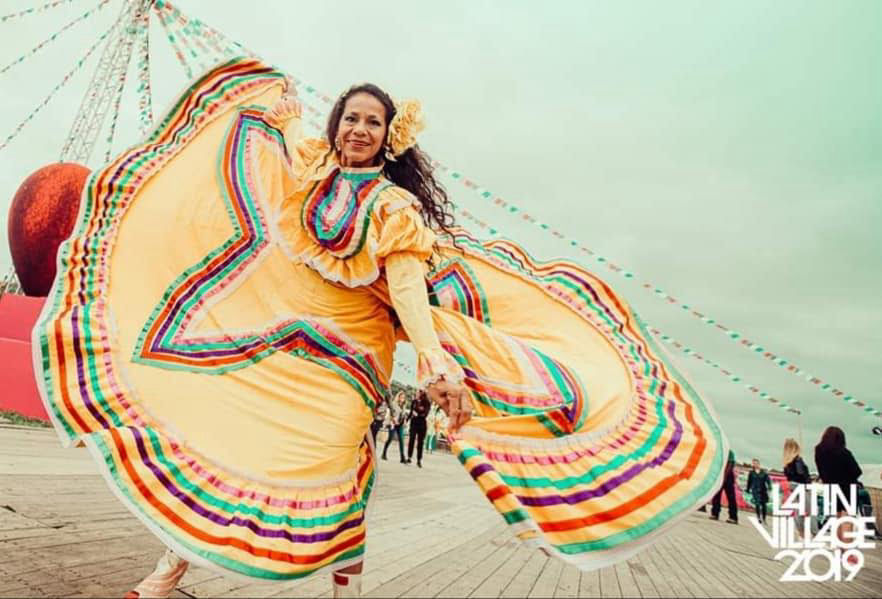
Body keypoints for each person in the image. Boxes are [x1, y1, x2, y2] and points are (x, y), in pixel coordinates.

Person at [34, 58, 727, 598]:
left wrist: (433, 361)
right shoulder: (309, 169)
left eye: (372, 122)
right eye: (351, 117)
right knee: (228, 444)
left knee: (333, 468)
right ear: (337, 122)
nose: (358, 129)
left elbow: (405, 289)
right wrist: (272, 106)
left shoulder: (395, 207)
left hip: (350, 355)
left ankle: (348, 585)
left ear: (388, 137)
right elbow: (260, 154)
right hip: (287, 326)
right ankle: (167, 573)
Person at [814, 426, 863, 557]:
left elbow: (821, 470)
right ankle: (848, 552)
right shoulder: (845, 453)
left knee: (837, 519)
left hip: (831, 488)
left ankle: (838, 549)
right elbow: (857, 471)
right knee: (847, 520)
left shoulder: (818, 451)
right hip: (847, 488)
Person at [782, 438, 811, 538]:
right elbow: (801, 473)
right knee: (809, 509)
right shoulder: (798, 460)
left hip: (792, 485)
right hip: (801, 485)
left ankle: (800, 530)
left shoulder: (786, 461)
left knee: (799, 509)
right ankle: (806, 531)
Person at [710, 450, 738, 524]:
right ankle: (715, 514)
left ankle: (733, 517)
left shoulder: (730, 452)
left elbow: (730, 465)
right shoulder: (718, 451)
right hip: (719, 475)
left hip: (728, 477)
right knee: (716, 495)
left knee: (731, 497)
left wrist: (724, 477)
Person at [406, 390, 431, 467]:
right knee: (411, 439)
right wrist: (406, 420)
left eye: (418, 393)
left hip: (422, 424)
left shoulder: (427, 403)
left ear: (422, 394)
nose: (416, 394)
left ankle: (419, 460)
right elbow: (411, 412)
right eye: (416, 393)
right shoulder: (414, 401)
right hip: (413, 423)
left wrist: (417, 414)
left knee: (420, 442)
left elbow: (425, 414)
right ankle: (409, 457)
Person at [382, 392, 408, 463]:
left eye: (403, 397)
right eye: (401, 397)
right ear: (398, 397)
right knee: (390, 439)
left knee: (401, 440)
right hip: (393, 423)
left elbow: (403, 414)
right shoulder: (394, 404)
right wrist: (394, 421)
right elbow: (391, 414)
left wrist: (405, 421)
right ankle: (384, 453)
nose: (402, 399)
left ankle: (402, 458)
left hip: (400, 424)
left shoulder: (404, 405)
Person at [745, 458, 772, 524]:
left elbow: (768, 480)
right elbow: (749, 481)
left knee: (763, 505)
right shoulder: (751, 473)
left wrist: (769, 486)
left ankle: (764, 519)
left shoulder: (764, 472)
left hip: (763, 490)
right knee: (757, 504)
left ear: (759, 464)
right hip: (755, 490)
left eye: (756, 463)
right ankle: (758, 518)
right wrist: (748, 489)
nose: (755, 464)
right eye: (754, 463)